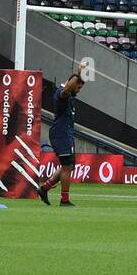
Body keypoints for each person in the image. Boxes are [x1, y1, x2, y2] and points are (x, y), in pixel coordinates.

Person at [37, 61, 88, 207]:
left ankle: (44, 189)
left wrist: (80, 77)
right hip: (61, 134)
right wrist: (78, 74)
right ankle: (64, 200)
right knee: (67, 166)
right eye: (78, 87)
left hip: (66, 133)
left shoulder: (69, 96)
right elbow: (68, 89)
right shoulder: (62, 94)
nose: (79, 90)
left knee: (69, 166)